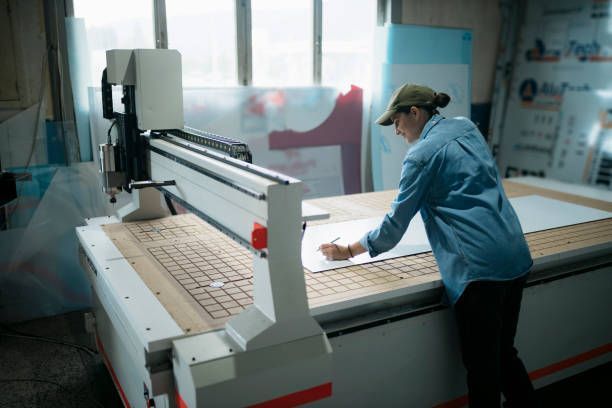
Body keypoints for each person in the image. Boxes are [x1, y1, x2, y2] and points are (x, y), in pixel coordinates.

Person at [319, 84, 537, 407]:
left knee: (482, 374)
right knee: (504, 355)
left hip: (479, 272)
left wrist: (348, 250)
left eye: (396, 121)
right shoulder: (466, 127)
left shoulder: (420, 156)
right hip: (515, 255)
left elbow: (394, 225)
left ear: (416, 113)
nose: (395, 130)